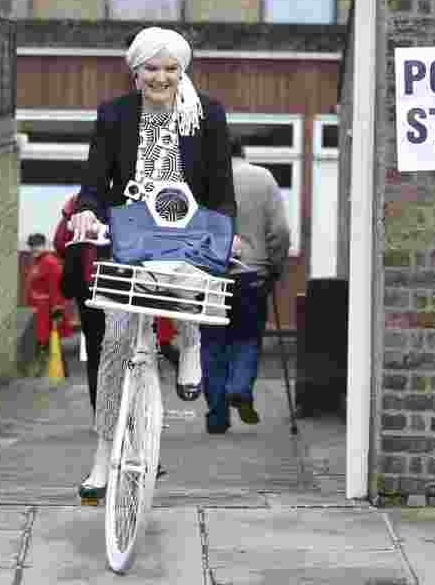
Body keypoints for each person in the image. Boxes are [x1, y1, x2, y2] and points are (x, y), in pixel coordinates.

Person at [69, 26, 236, 502]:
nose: (162, 77)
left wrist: (227, 230)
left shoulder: (207, 115)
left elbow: (221, 184)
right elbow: (95, 180)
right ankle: (103, 457)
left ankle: (190, 340)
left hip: (188, 226)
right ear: (136, 73)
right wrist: (87, 209)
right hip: (131, 234)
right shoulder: (115, 116)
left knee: (191, 286)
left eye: (171, 69)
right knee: (115, 344)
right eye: (152, 69)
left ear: (182, 72)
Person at [199, 137, 290, 434]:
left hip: (212, 275)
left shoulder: (204, 181)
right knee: (247, 336)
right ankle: (239, 386)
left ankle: (216, 415)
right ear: (243, 153)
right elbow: (279, 231)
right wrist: (275, 267)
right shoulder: (263, 179)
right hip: (252, 273)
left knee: (213, 342)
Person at [53, 193, 107, 411]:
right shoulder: (123, 196)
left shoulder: (75, 202)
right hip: (116, 284)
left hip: (85, 289)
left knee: (94, 349)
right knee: (122, 346)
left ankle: (99, 407)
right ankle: (121, 404)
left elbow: (59, 242)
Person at [25, 232, 71, 375]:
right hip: (39, 310)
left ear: (44, 246)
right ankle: (54, 372)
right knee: (46, 342)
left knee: (49, 342)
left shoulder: (50, 262)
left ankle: (51, 373)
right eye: (32, 247)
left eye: (38, 246)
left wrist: (57, 310)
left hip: (48, 311)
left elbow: (57, 288)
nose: (35, 249)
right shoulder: (37, 262)